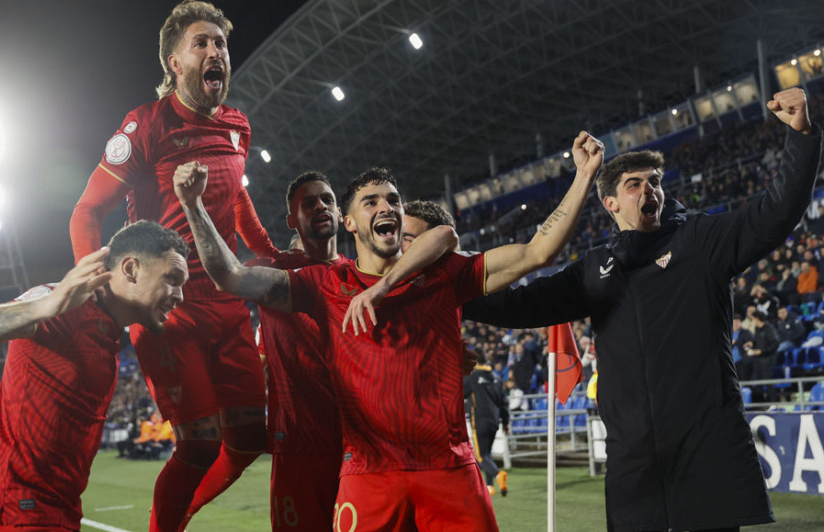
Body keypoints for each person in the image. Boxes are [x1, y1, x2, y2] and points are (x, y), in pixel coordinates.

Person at [173, 130, 604, 530]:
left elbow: (536, 253)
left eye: (393, 200)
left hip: (449, 469)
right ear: (352, 223)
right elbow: (229, 276)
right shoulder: (324, 285)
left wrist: (583, 175)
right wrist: (193, 206)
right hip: (368, 475)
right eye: (371, 202)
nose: (386, 207)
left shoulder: (442, 274)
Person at [463, 88, 821, 531]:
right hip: (635, 465)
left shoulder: (700, 240)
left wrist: (801, 134)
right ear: (610, 202)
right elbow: (520, 304)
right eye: (635, 184)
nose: (649, 189)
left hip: (705, 452)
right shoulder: (595, 269)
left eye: (655, 181)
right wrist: (453, 291)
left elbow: (778, 212)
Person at [68, 2, 276, 529]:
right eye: (201, 43)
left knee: (252, 437)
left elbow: (238, 203)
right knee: (199, 445)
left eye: (221, 44)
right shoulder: (144, 125)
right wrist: (96, 289)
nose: (215, 52)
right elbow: (87, 211)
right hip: (170, 310)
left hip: (230, 306)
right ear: (174, 62)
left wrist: (270, 254)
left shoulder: (237, 126)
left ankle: (178, 516)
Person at [0, 221, 189, 532]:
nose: (179, 295)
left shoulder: (109, 330)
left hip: (56, 507)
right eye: (171, 279)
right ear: (131, 269)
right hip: (18, 509)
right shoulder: (61, 304)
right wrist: (46, 304)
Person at [240, 171, 350, 531]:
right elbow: (221, 270)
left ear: (339, 213)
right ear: (292, 221)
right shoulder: (275, 272)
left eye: (327, 200)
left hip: (359, 447)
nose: (320, 206)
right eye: (308, 202)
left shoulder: (364, 275)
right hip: (298, 449)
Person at [463, 349, 510, 497]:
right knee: (488, 453)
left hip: (480, 420)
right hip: (495, 421)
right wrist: (506, 423)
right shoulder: (496, 378)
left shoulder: (472, 378)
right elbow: (504, 403)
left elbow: (458, 392)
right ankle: (489, 486)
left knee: (481, 456)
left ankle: (498, 474)